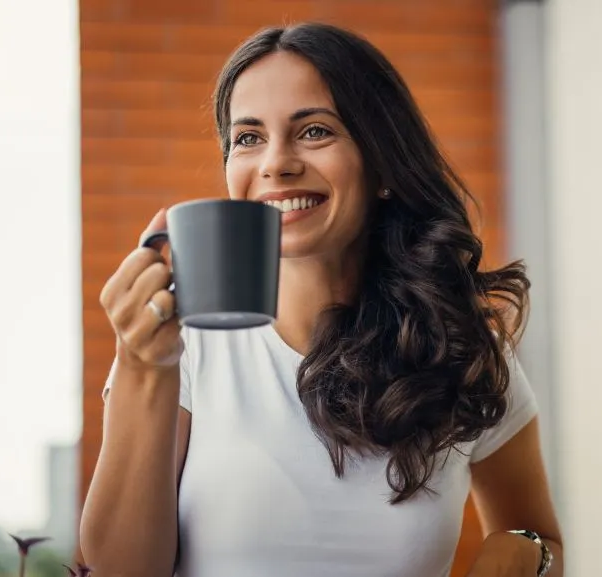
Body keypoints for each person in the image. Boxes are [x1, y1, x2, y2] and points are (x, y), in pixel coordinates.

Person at [79, 22, 562, 577]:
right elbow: (120, 569)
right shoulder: (179, 347)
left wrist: (523, 550)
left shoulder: (463, 350)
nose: (275, 163)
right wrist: (144, 366)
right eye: (248, 137)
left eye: (314, 132)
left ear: (382, 163)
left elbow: (539, 535)